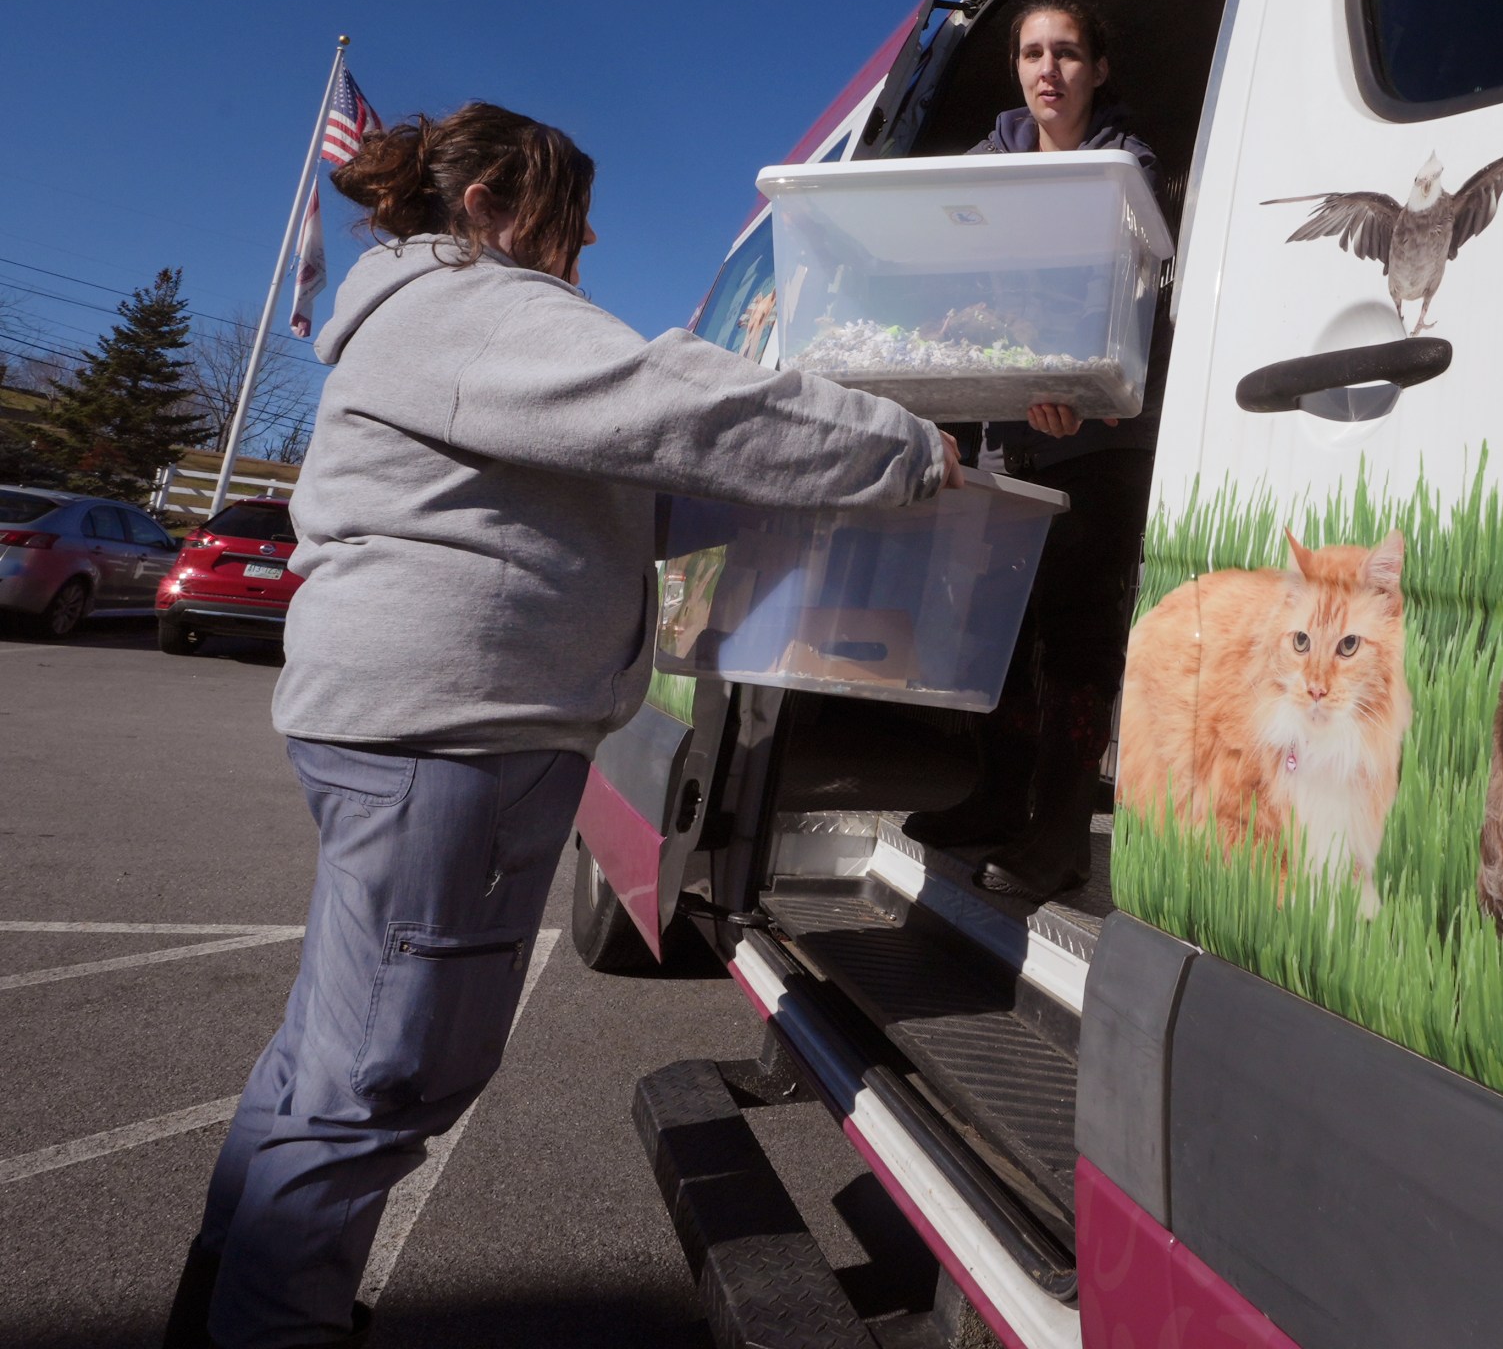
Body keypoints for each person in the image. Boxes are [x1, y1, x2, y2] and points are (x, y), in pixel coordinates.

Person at [164, 103, 960, 1349]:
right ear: (488, 204)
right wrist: (905, 451)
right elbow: (673, 404)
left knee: (327, 1061)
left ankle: (238, 1304)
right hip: (453, 738)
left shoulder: (426, 321)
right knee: (382, 1079)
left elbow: (632, 493)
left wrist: (804, 490)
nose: (583, 239)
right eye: (567, 212)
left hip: (405, 728)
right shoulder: (469, 300)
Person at [900, 0, 1162, 900]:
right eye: (1032, 53)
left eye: (1068, 54)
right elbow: (963, 291)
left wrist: (1082, 392)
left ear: (1098, 69)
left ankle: (1059, 833)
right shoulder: (986, 168)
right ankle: (996, 798)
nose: (1048, 71)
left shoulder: (1126, 169)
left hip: (1099, 436)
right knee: (1001, 628)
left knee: (1078, 636)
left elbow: (1120, 304)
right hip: (1014, 430)